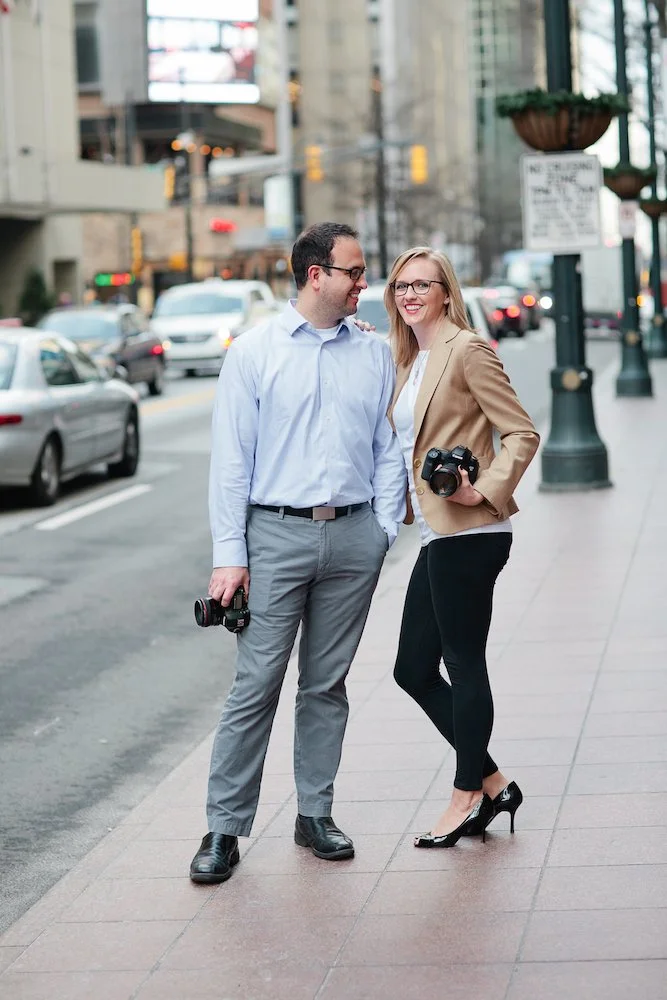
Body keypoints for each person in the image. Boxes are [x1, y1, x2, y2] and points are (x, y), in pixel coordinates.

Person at [190, 222, 407, 884]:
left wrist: (382, 527)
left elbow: (386, 446)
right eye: (354, 271)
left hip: (351, 536)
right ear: (316, 274)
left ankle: (314, 814)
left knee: (325, 684)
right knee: (255, 685)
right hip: (274, 535)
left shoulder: (370, 353)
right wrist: (232, 556)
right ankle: (223, 828)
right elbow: (231, 461)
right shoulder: (254, 352)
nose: (364, 283)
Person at [386, 247, 539, 848]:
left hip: (470, 532)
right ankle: (495, 783)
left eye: (422, 284)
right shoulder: (411, 357)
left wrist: (485, 493)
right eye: (401, 286)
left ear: (446, 291)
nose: (411, 294)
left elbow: (521, 431)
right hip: (436, 534)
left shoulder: (467, 349)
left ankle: (466, 794)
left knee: (462, 663)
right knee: (411, 669)